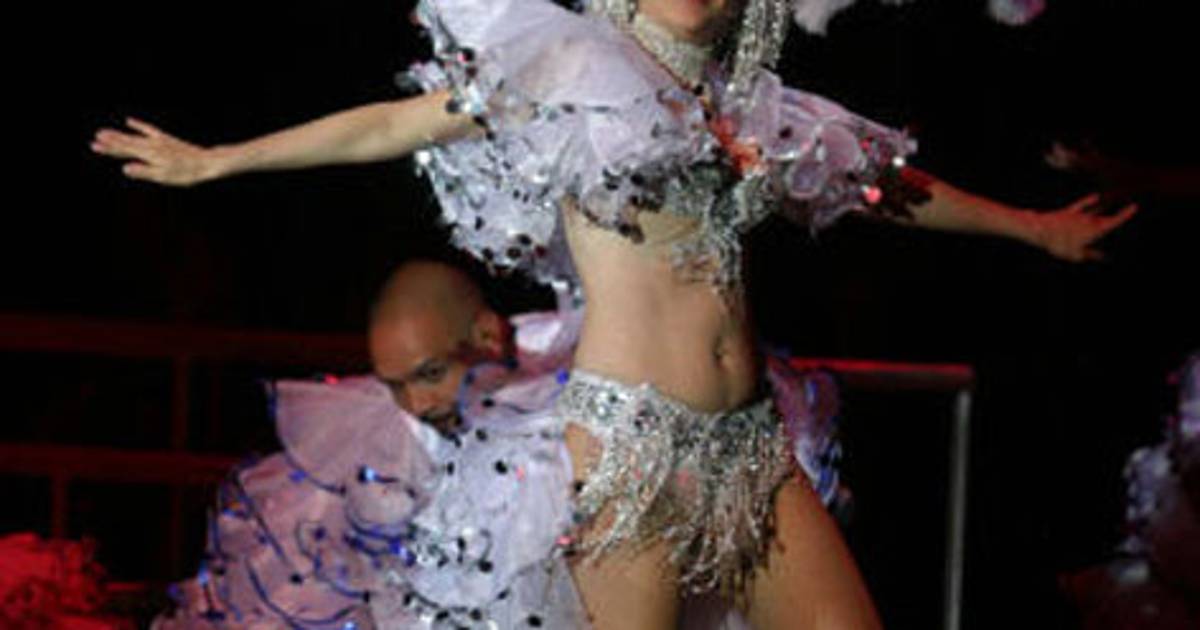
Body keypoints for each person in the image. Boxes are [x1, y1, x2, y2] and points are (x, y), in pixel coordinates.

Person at [95, 1, 1138, 627]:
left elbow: (886, 187)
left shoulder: (753, 109)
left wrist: (1035, 229)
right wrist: (219, 161)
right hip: (632, 446)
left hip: (751, 448)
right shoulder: (568, 72)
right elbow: (389, 125)